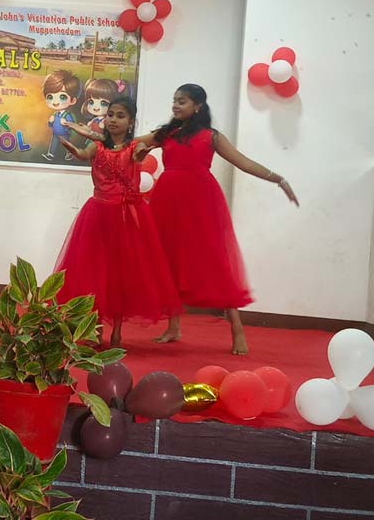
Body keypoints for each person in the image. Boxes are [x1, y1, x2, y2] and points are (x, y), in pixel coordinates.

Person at [135, 84, 298, 355]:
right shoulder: (166, 133)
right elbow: (133, 142)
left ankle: (237, 329)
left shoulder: (211, 136)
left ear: (197, 106)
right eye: (174, 100)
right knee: (168, 258)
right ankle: (173, 327)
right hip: (167, 201)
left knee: (216, 261)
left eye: (182, 101)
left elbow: (244, 163)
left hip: (200, 203)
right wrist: (120, 145)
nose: (176, 105)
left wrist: (278, 179)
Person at [56, 96, 181, 347]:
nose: (113, 120)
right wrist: (73, 149)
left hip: (125, 217)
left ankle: (117, 332)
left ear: (131, 122)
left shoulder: (133, 147)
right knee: (95, 274)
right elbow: (83, 154)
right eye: (111, 114)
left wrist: (142, 152)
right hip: (98, 214)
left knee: (121, 276)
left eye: (120, 116)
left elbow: (139, 154)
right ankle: (96, 328)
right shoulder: (97, 146)